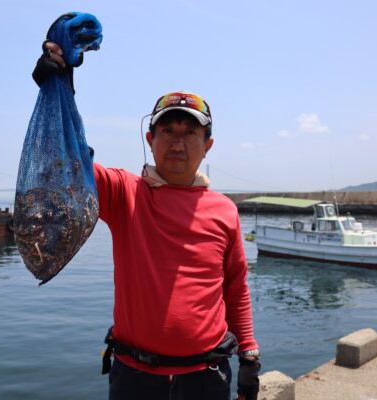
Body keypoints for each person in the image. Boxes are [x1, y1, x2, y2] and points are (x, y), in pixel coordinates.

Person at [33, 41, 261, 400]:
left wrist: (248, 355)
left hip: (208, 374)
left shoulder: (224, 210)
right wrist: (60, 86)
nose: (178, 143)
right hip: (135, 376)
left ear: (208, 145)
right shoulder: (124, 193)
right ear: (150, 139)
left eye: (190, 133)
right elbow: (66, 166)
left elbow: (235, 288)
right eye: (167, 131)